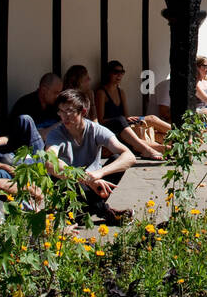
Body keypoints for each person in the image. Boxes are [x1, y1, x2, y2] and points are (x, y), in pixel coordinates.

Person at [43, 88, 138, 226]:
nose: (64, 116)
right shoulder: (56, 134)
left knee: (116, 159)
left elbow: (129, 156)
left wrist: (98, 174)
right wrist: (86, 179)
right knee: (59, 177)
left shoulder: (95, 130)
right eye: (61, 111)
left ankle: (85, 212)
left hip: (94, 185)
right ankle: (103, 210)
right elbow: (50, 162)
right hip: (70, 186)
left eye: (69, 111)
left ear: (83, 112)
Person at [94, 61, 170, 158]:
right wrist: (122, 119)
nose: (119, 75)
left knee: (152, 119)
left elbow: (126, 116)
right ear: (109, 73)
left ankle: (183, 135)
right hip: (112, 127)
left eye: (122, 72)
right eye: (115, 72)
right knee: (124, 121)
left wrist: (128, 118)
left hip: (123, 124)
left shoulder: (120, 92)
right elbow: (100, 120)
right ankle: (163, 148)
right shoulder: (102, 93)